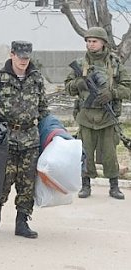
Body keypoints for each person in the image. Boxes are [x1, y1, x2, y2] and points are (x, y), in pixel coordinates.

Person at [0, 40, 50, 238]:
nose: (24, 61)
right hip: (5, 137)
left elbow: (43, 108)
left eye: (27, 57)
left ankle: (22, 221)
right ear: (12, 54)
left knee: (27, 182)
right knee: (4, 179)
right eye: (20, 57)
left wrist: (53, 131)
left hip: (30, 138)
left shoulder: (36, 78)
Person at [64, 27, 131, 200]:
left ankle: (114, 186)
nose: (90, 44)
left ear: (103, 43)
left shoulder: (115, 64)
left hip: (107, 117)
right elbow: (68, 88)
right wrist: (78, 83)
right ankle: (85, 185)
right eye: (88, 41)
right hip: (86, 115)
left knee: (110, 153)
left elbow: (127, 87)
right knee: (85, 152)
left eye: (94, 41)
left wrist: (112, 93)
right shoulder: (79, 64)